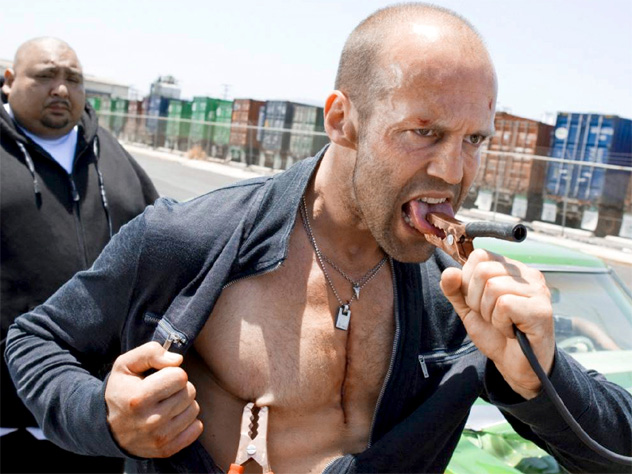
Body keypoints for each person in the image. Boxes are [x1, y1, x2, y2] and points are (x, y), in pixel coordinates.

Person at [5, 6, 632, 474]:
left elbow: (616, 451)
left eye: (474, 140)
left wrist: (541, 374)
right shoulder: (190, 239)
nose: (452, 170)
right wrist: (104, 416)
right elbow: (34, 341)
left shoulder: (460, 306)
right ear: (342, 120)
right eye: (423, 131)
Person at [1, 37, 159, 473]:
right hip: (9, 414)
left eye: (73, 79)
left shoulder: (111, 156)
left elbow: (162, 248)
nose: (61, 89)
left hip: (97, 416)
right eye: (45, 76)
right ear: (9, 81)